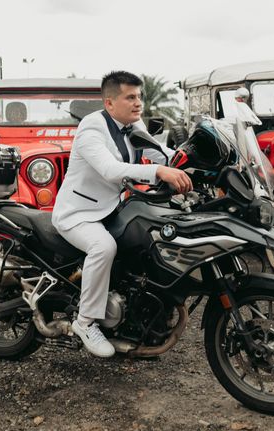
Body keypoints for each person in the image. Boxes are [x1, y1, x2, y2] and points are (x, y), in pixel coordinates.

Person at [51, 71, 192, 357]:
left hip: (112, 208)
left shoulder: (131, 122)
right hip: (78, 213)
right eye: (130, 97)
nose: (138, 102)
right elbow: (110, 170)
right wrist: (158, 171)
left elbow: (157, 152)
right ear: (110, 103)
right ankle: (86, 321)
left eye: (139, 96)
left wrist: (189, 164)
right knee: (104, 247)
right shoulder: (92, 129)